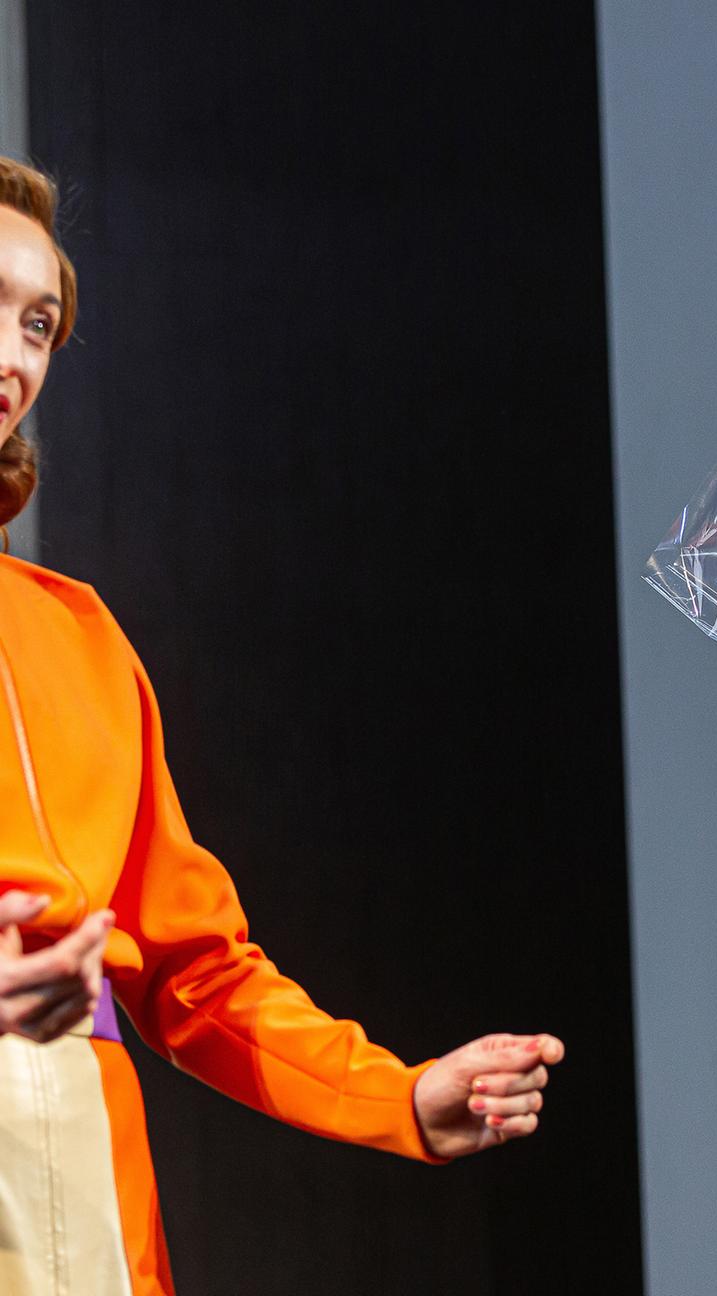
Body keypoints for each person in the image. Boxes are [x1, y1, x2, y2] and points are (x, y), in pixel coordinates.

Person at [0, 156, 564, 1296]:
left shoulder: (80, 640)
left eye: (39, 322)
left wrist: (398, 1096)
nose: (15, 354)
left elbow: (198, 974)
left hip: (81, 1177)